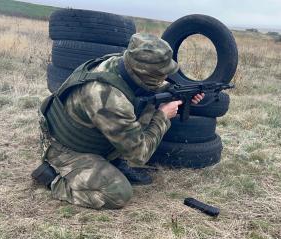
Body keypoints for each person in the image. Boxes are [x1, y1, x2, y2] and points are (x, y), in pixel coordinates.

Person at [32, 33, 204, 209]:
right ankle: (54, 178)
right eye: (161, 74)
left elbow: (150, 89)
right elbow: (139, 155)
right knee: (117, 193)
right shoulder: (108, 97)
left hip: (89, 133)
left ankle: (114, 160)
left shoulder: (122, 64)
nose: (165, 77)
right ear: (144, 73)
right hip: (66, 149)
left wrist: (181, 95)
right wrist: (163, 117)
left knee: (151, 102)